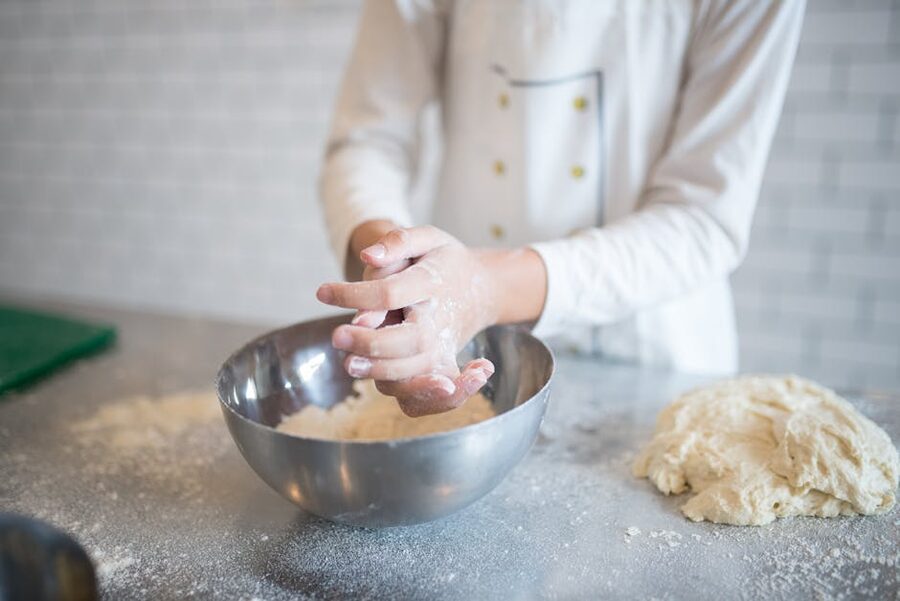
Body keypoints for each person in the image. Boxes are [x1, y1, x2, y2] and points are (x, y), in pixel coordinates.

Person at [315, 0, 805, 416]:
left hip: (655, 358)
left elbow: (703, 217)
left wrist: (487, 288)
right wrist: (394, 275)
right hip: (464, 345)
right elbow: (368, 141)